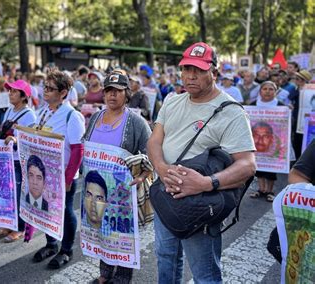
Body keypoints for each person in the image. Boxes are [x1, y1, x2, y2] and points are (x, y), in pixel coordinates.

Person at [147, 42, 256, 283]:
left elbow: (248, 165)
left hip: (199, 205)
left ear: (213, 73)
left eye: (198, 70)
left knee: (204, 273)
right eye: (186, 69)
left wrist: (206, 183)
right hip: (166, 196)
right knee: (165, 256)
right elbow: (154, 141)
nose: (190, 76)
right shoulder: (172, 101)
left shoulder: (231, 111)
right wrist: (162, 169)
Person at [83, 71, 152, 284]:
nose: (112, 95)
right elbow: (86, 145)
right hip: (98, 189)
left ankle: (122, 277)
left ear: (127, 94)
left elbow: (150, 154)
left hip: (123, 193)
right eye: (108, 91)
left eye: (118, 91)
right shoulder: (95, 117)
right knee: (101, 231)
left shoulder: (136, 122)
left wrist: (143, 175)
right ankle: (105, 274)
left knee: (121, 234)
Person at [31, 70, 85, 269]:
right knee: (46, 209)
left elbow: (78, 150)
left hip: (63, 174)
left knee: (65, 211)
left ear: (63, 93)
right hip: (44, 173)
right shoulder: (43, 112)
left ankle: (66, 250)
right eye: (45, 87)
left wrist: (68, 178)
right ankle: (51, 244)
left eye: (50, 88)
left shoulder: (72, 115)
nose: (45, 91)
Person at [0, 79, 36, 242]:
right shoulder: (9, 111)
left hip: (20, 161)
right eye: (9, 90)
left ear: (24, 96)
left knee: (19, 195)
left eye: (14, 91)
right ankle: (9, 224)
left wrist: (17, 140)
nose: (10, 93)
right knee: (8, 194)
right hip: (7, 158)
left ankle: (20, 228)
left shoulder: (30, 115)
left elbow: (32, 140)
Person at [249, 81, 286, 202]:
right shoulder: (253, 104)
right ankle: (261, 189)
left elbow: (286, 124)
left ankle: (270, 191)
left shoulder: (281, 105)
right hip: (256, 142)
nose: (267, 91)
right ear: (260, 91)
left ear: (276, 92)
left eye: (271, 89)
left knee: (272, 166)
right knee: (258, 165)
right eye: (265, 89)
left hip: (272, 142)